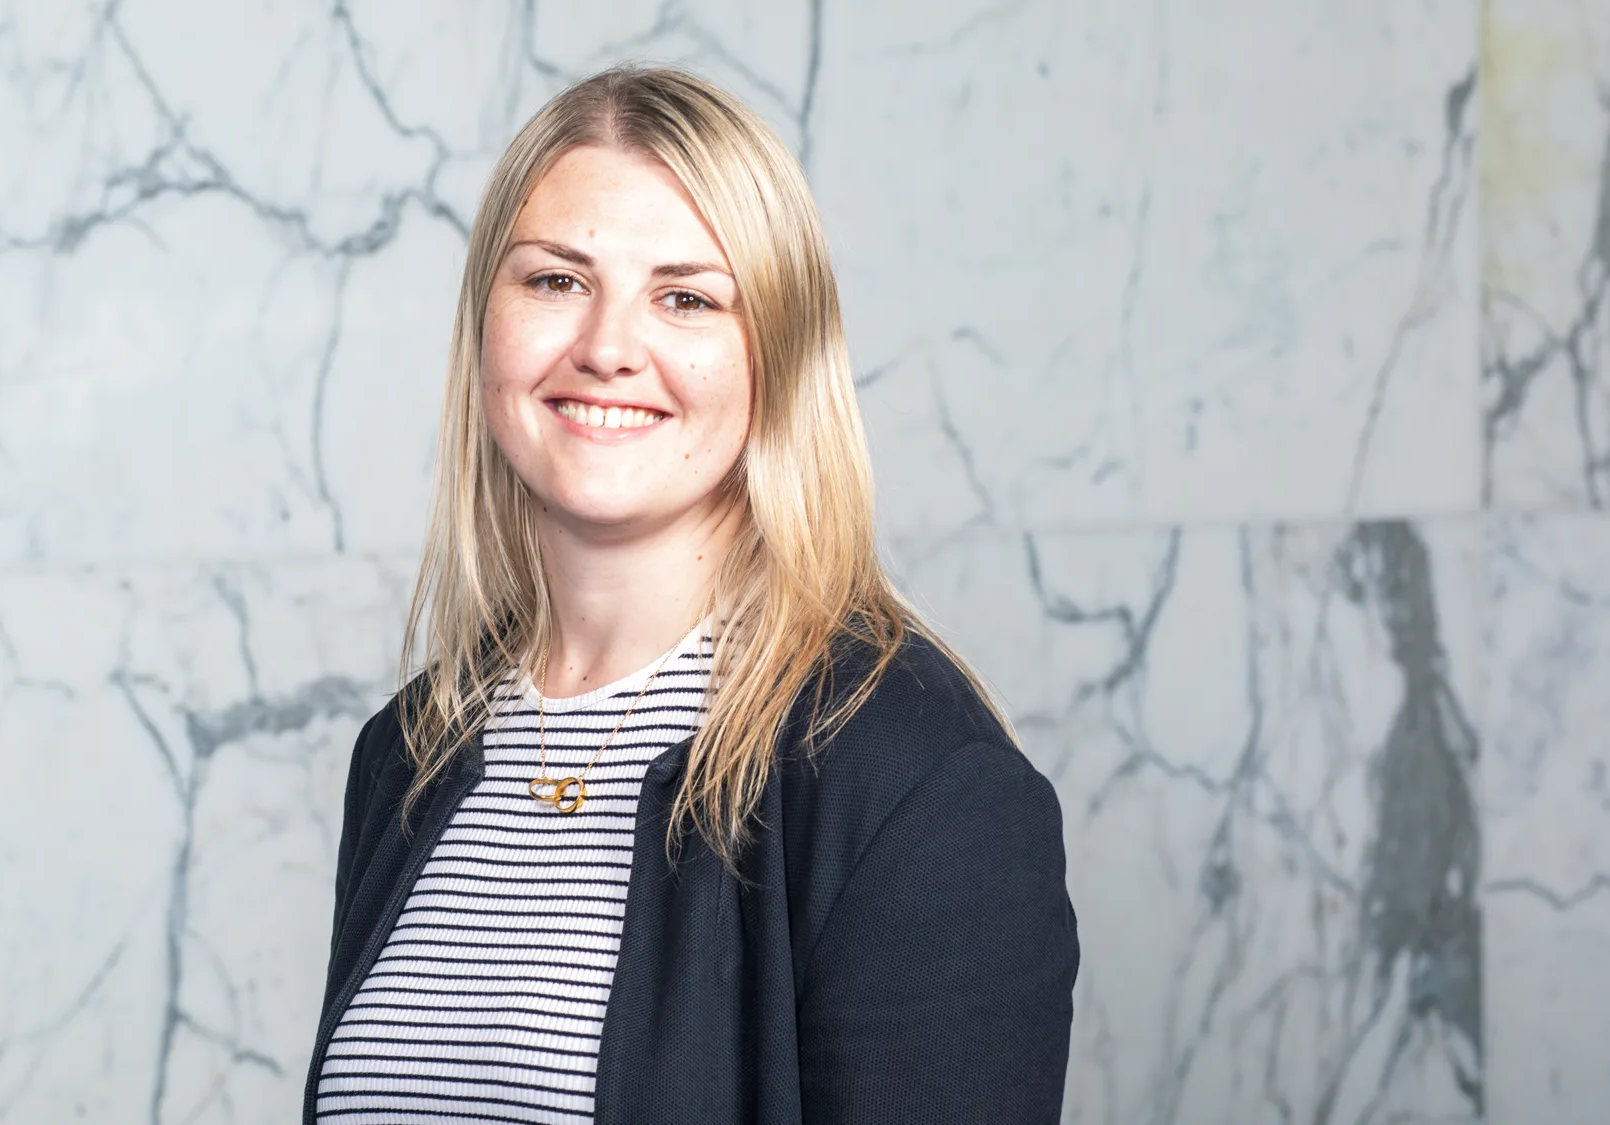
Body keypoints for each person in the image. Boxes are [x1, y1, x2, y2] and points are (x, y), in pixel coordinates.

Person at [301, 64, 1078, 1124]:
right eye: (554, 281)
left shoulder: (911, 781)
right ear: (484, 323)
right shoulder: (410, 753)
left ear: (781, 354)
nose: (608, 348)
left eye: (686, 297)